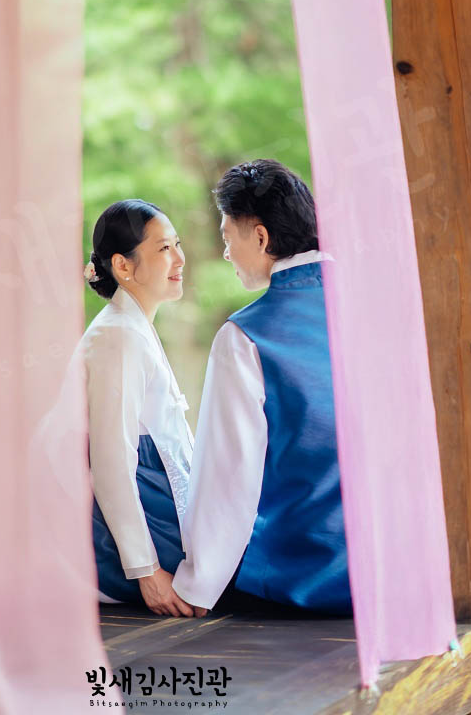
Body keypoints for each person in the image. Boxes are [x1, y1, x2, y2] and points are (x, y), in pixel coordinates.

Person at [172, 160, 352, 618]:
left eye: (227, 238)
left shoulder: (247, 337)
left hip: (299, 581)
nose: (225, 254)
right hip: (390, 580)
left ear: (260, 238)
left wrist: (196, 586)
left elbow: (228, 479)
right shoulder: (377, 312)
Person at [82, 199, 194, 617]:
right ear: (123, 266)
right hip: (130, 546)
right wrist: (146, 571)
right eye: (164, 248)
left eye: (177, 244)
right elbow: (110, 460)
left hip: (163, 515)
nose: (179, 258)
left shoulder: (132, 327)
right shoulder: (117, 336)